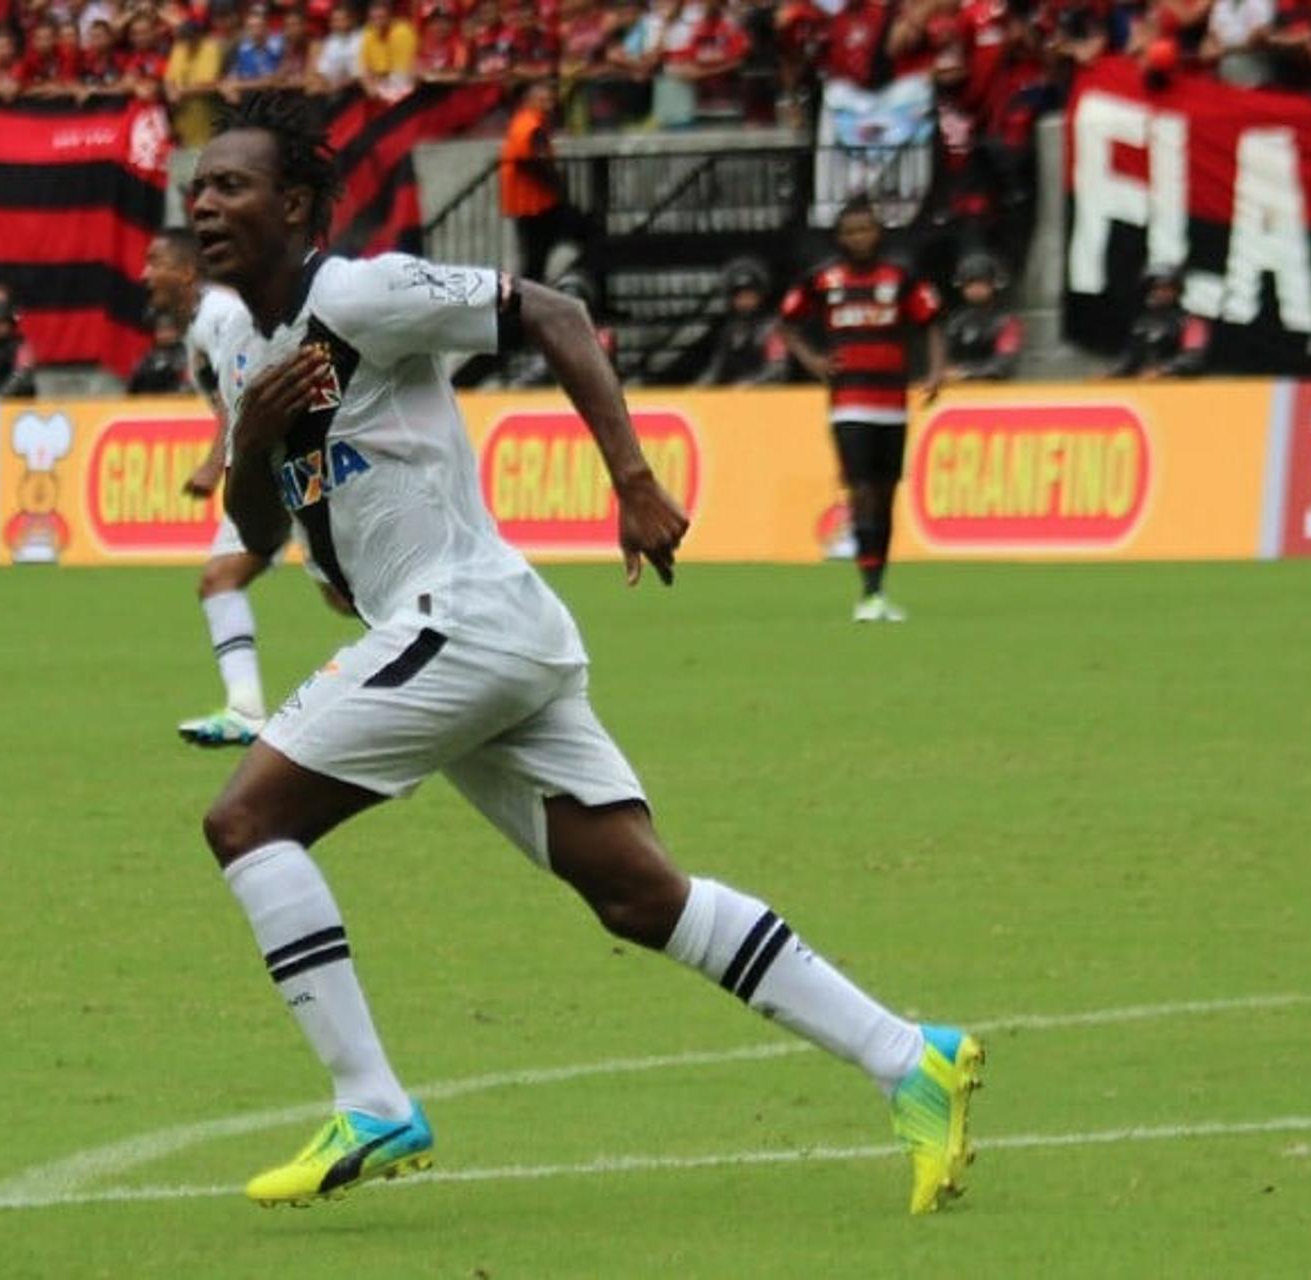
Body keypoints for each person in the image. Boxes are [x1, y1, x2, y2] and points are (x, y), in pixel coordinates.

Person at [188, 93, 981, 1214]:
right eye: (199, 186)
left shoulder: (358, 294)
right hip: (468, 636)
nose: (205, 202)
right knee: (639, 894)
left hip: (459, 616)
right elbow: (258, 529)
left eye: (233, 184)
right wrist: (256, 439)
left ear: (299, 204)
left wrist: (635, 479)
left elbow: (553, 310)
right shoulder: (233, 342)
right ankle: (914, 1056)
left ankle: (370, 1100)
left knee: (245, 819)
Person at [141, 226, 280, 746]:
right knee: (220, 579)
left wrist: (213, 461)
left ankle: (454, 666)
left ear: (186, 271)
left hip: (288, 467)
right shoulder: (201, 319)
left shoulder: (220, 315)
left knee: (345, 594)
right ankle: (246, 710)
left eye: (155, 261)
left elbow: (237, 394)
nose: (144, 273)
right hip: (268, 468)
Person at [779, 196, 945, 623]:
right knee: (863, 490)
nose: (859, 237)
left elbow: (931, 320)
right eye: (851, 231)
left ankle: (878, 589)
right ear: (840, 237)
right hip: (849, 405)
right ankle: (868, 591)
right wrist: (813, 361)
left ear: (878, 232)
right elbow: (787, 320)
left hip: (892, 402)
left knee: (887, 493)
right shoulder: (825, 280)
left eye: (866, 229)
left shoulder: (900, 278)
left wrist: (937, 371)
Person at [500, 80, 597, 287]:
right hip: (537, 204)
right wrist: (558, 186)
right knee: (588, 234)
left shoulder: (523, 123)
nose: (549, 104)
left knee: (536, 258)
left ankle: (528, 304)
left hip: (528, 204)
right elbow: (536, 162)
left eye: (550, 99)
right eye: (543, 100)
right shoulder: (531, 127)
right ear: (528, 101)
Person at [699, 256, 790, 386]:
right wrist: (696, 391)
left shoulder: (772, 329)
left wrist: (750, 384)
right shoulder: (729, 332)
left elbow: (778, 368)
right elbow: (716, 368)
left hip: (767, 399)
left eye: (750, 296)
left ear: (760, 297)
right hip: (736, 400)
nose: (745, 302)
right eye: (740, 297)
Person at [1110, 262, 1209, 378]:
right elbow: (1128, 360)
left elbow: (1193, 358)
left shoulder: (1192, 322)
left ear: (1176, 291)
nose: (1157, 293)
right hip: (1139, 385)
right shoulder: (1142, 322)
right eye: (1154, 289)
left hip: (1174, 386)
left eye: (1164, 288)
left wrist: (1163, 370)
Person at [944, 251, 1023, 381]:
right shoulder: (955, 321)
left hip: (995, 393)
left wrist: (966, 373)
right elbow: (944, 361)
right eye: (969, 283)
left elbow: (1003, 366)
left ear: (994, 284)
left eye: (981, 283)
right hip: (956, 393)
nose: (975, 288)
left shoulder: (1008, 322)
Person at [127, 310, 192, 393]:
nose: (165, 335)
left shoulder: (184, 351)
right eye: (161, 331)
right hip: (152, 399)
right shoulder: (149, 353)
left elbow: (185, 376)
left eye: (169, 331)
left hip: (178, 397)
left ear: (176, 332)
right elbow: (137, 376)